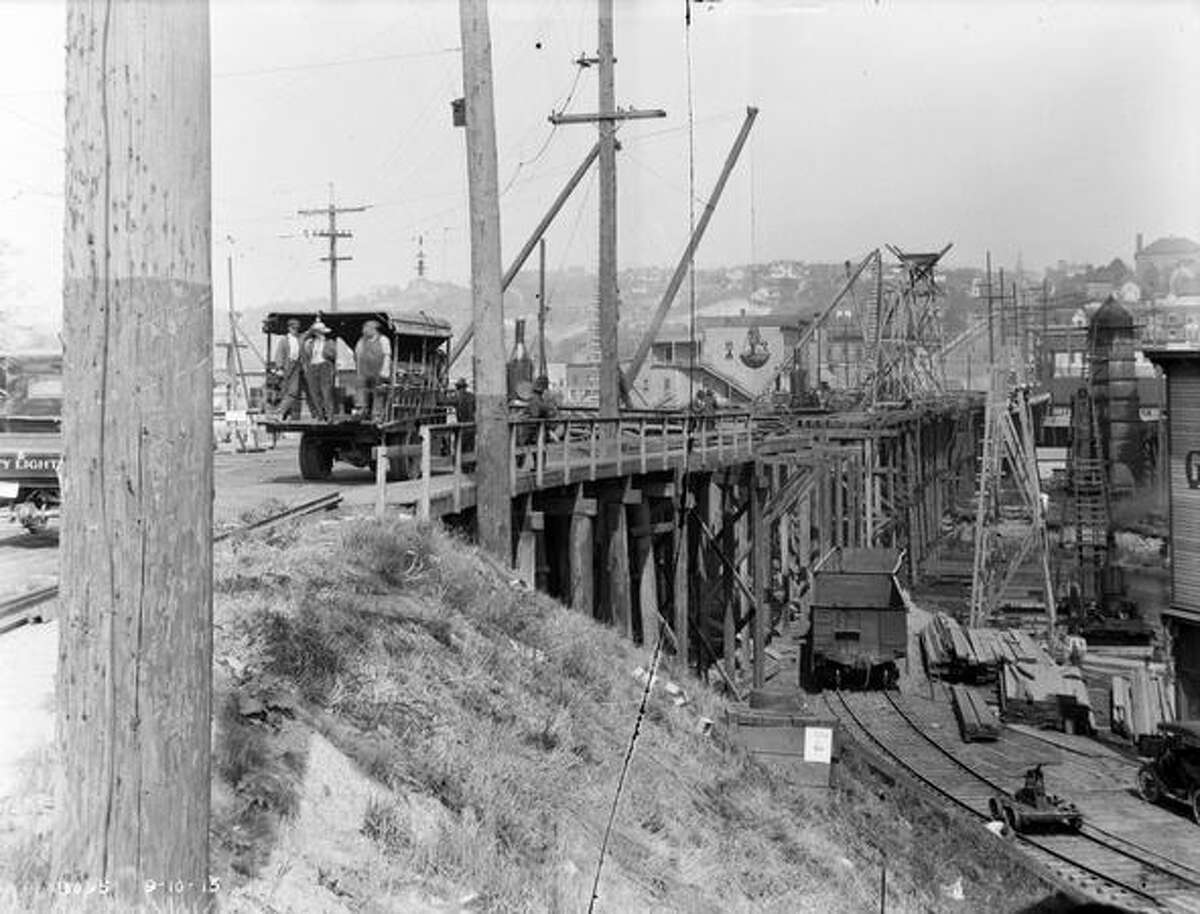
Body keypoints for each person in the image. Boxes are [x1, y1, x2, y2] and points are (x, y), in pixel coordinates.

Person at [354, 320, 391, 419]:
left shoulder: (383, 340)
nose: (364, 331)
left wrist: (385, 370)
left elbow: (387, 355)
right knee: (361, 389)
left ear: (374, 329)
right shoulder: (361, 341)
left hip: (378, 371)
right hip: (364, 371)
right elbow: (358, 355)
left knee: (378, 392)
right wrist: (358, 370)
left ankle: (377, 414)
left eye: (366, 328)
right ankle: (361, 410)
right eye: (364, 328)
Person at [302, 320, 337, 421]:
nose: (319, 334)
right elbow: (305, 353)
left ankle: (330, 416)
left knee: (326, 392)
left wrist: (326, 351)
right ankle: (320, 415)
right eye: (318, 332)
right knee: (314, 392)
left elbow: (333, 355)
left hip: (324, 366)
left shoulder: (330, 342)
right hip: (312, 367)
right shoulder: (310, 343)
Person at [273, 318, 307, 419]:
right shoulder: (284, 340)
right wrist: (279, 368)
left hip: (296, 366)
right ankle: (281, 413)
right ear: (289, 328)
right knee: (287, 392)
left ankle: (280, 412)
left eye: (296, 328)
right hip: (287, 366)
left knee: (293, 391)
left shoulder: (299, 339)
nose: (295, 330)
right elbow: (279, 354)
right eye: (293, 328)